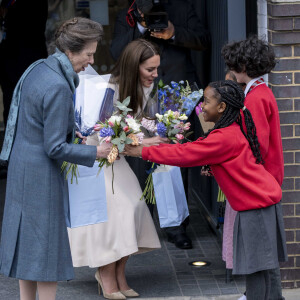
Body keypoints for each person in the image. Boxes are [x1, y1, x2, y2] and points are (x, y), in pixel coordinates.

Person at [124, 80, 288, 300]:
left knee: (257, 269)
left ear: (221, 108)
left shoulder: (223, 137)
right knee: (266, 266)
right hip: (263, 203)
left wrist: (142, 151)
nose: (202, 106)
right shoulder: (230, 130)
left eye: (207, 101)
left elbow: (186, 154)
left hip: (256, 207)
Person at [0, 17, 112, 300]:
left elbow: (36, 122)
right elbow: (54, 148)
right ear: (71, 50)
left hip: (21, 167)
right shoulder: (59, 86)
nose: (91, 60)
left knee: (28, 249)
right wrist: (94, 152)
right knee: (47, 253)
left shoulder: (39, 67)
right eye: (88, 53)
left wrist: (71, 134)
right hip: (41, 175)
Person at [67, 39, 166, 300]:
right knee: (115, 217)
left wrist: (165, 128)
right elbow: (103, 136)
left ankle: (120, 275)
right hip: (98, 161)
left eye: (156, 69)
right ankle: (106, 275)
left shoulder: (143, 86)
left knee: (132, 208)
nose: (155, 75)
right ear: (134, 67)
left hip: (117, 159)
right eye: (150, 70)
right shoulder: (107, 89)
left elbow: (139, 120)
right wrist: (144, 141)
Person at [110, 0, 210, 249]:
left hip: (178, 93)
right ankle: (143, 221)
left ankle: (177, 226)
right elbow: (116, 52)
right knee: (140, 155)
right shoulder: (128, 16)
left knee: (176, 158)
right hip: (141, 97)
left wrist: (173, 33)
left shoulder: (182, 9)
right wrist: (142, 28)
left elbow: (203, 39)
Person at [222, 35, 285, 300]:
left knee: (257, 253)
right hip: (266, 182)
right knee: (265, 250)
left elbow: (254, 144)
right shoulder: (260, 92)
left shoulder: (256, 97)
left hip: (257, 185)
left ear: (244, 67)